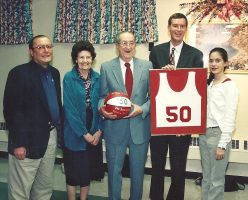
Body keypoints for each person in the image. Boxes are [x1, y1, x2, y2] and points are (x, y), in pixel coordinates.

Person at [149, 13, 204, 200]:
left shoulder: (196, 55)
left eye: (182, 26)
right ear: (169, 27)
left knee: (178, 169)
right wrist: (161, 74)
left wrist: (187, 125)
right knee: (156, 166)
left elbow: (197, 91)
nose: (178, 29)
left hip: (181, 124)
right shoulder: (156, 52)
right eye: (175, 25)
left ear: (185, 29)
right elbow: (151, 85)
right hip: (160, 122)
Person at [3, 35, 63, 200]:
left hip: (50, 136)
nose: (46, 50)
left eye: (48, 46)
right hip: (27, 141)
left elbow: (55, 105)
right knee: (20, 191)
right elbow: (12, 111)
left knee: (44, 188)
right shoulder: (19, 73)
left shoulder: (54, 73)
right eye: (40, 47)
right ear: (31, 52)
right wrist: (18, 143)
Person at [99, 31, 152, 200]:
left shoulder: (147, 65)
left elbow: (153, 97)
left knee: (138, 173)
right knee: (114, 172)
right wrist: (102, 110)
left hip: (140, 127)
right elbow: (102, 96)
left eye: (131, 43)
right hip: (115, 127)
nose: (128, 47)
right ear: (117, 46)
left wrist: (142, 109)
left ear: (135, 45)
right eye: (124, 43)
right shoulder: (107, 67)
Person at [63, 41, 104, 200]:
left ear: (92, 59)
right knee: (73, 171)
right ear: (75, 59)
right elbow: (70, 109)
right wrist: (84, 133)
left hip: (94, 126)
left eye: (88, 57)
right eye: (81, 57)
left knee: (87, 171)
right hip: (75, 130)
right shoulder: (69, 77)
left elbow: (103, 104)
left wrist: (99, 130)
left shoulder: (98, 78)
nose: (85, 60)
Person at [199, 47, 239, 200]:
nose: (214, 64)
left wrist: (222, 145)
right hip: (204, 135)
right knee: (206, 178)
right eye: (211, 60)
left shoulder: (229, 86)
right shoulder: (208, 84)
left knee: (216, 181)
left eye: (218, 60)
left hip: (218, 136)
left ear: (225, 63)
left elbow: (230, 117)